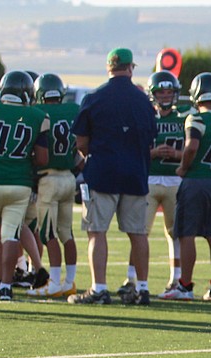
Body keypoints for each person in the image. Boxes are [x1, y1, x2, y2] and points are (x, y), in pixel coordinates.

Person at [68, 48, 157, 305]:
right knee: (137, 233)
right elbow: (150, 139)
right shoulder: (143, 101)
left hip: (102, 172)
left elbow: (81, 141)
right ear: (130, 68)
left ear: (108, 68)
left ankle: (99, 288)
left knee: (97, 231)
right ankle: (142, 288)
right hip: (135, 174)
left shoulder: (95, 97)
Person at [0, 70, 49, 301]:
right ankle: (5, 285)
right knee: (11, 234)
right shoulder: (37, 115)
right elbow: (42, 159)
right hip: (20, 183)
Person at [166, 73, 211, 301]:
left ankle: (185, 286)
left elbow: (191, 147)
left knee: (187, 234)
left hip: (197, 181)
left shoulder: (196, 119)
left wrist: (183, 168)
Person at [27, 73, 80, 299]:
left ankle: (55, 282)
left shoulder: (39, 113)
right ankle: (69, 281)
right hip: (69, 178)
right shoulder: (73, 110)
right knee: (67, 233)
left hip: (48, 179)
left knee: (48, 234)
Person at [135, 70, 187, 299]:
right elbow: (134, 150)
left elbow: (195, 148)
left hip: (175, 180)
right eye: (161, 92)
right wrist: (153, 152)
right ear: (152, 94)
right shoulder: (145, 117)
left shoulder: (185, 117)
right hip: (149, 180)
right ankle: (132, 278)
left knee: (175, 233)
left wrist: (178, 154)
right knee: (138, 232)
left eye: (169, 91)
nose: (165, 96)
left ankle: (176, 278)